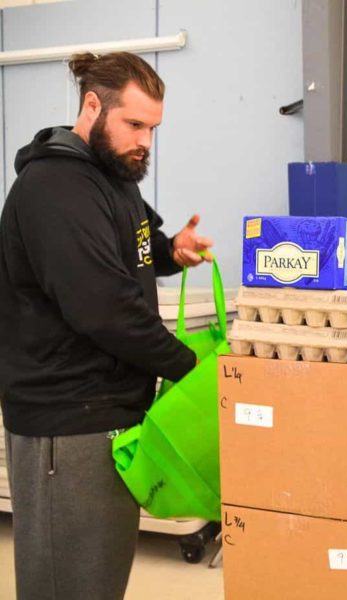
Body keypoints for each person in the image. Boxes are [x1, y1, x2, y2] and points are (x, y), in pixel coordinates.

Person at [0, 52, 213, 599]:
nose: (145, 141)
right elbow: (104, 308)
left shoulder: (114, 178)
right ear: (92, 106)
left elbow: (134, 247)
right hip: (67, 424)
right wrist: (196, 373)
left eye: (153, 129)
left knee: (97, 582)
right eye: (134, 124)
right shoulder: (55, 188)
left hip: (110, 412)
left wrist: (173, 251)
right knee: (67, 586)